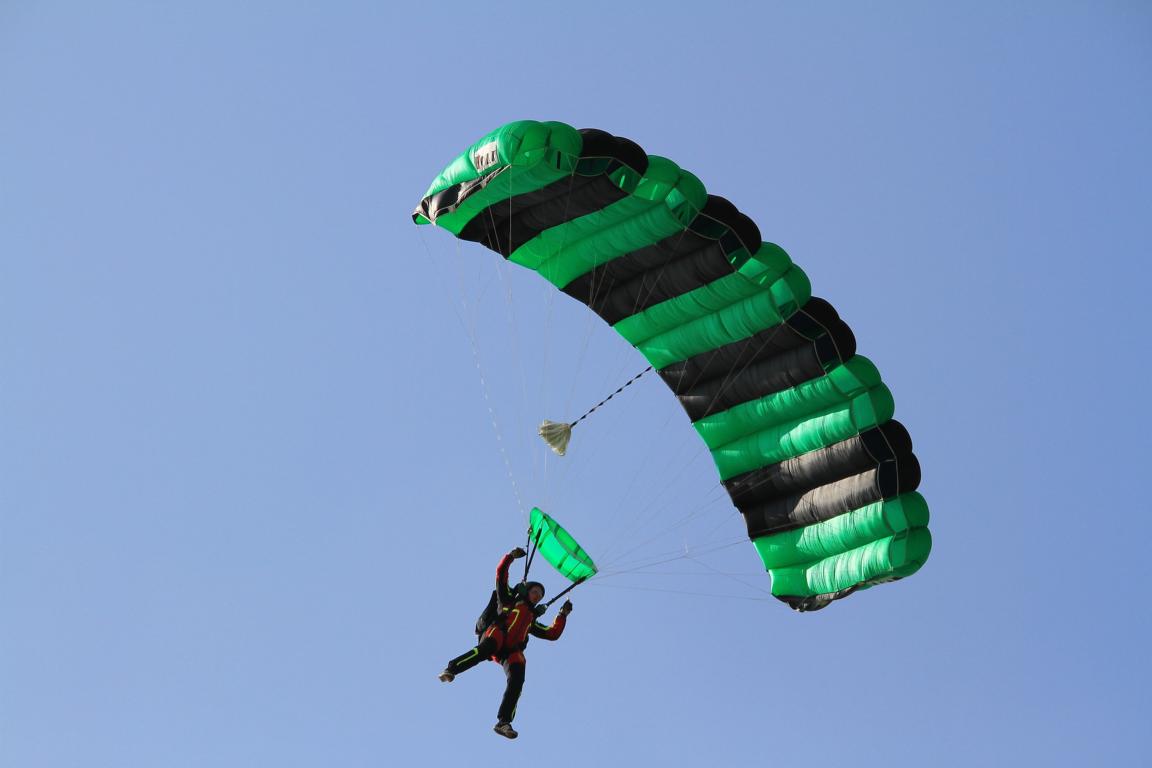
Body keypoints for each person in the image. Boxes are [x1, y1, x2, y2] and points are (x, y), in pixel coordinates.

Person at [439, 547, 573, 739]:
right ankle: (452, 669)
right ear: (527, 590)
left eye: (540, 595)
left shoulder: (531, 620)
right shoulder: (508, 600)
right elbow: (501, 575)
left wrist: (562, 615)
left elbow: (552, 633)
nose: (537, 596)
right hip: (496, 636)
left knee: (518, 677)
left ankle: (503, 722)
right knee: (486, 648)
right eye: (535, 591)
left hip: (510, 651)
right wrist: (510, 557)